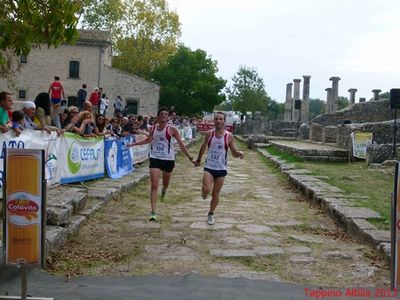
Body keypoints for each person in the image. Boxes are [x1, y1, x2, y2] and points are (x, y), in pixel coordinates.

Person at [127, 107, 194, 222]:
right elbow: (148, 140)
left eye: (165, 114)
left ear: (168, 117)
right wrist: (133, 144)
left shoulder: (172, 129)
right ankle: (153, 212)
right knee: (154, 185)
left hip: (168, 159)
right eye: (161, 114)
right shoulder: (153, 129)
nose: (163, 115)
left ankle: (164, 191)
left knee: (166, 184)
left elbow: (181, 144)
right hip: (155, 158)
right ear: (158, 117)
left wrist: (190, 157)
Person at [194, 112, 244, 225]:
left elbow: (234, 152)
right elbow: (203, 146)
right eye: (216, 119)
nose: (218, 121)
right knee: (207, 189)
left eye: (220, 119)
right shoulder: (209, 134)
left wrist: (239, 153)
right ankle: (204, 192)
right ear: (214, 121)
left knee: (215, 194)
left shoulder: (229, 136)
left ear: (224, 121)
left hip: (221, 168)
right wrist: (198, 159)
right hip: (209, 166)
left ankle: (211, 213)